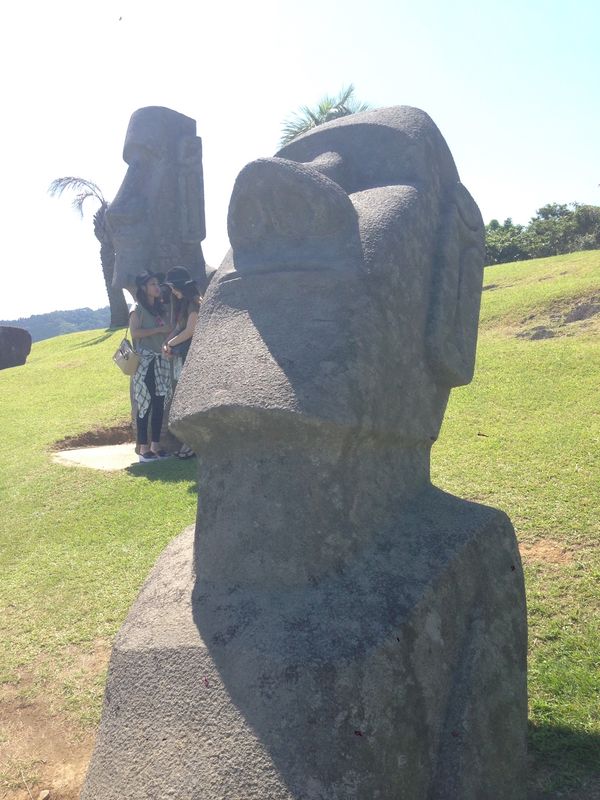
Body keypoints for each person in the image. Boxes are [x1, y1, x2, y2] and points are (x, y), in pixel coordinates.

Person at [129, 271, 173, 462]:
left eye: (157, 283)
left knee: (158, 403)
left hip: (161, 361)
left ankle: (155, 445)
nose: (157, 287)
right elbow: (135, 333)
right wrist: (159, 330)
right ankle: (143, 447)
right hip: (145, 362)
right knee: (144, 404)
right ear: (143, 288)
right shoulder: (137, 308)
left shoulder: (160, 307)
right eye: (153, 284)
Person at [162, 266, 202, 459]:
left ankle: (192, 443)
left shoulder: (194, 303)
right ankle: (189, 441)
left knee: (192, 400)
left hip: (192, 359)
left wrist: (169, 343)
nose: (172, 291)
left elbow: (190, 330)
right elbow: (178, 329)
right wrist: (167, 344)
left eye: (173, 287)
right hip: (182, 357)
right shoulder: (183, 304)